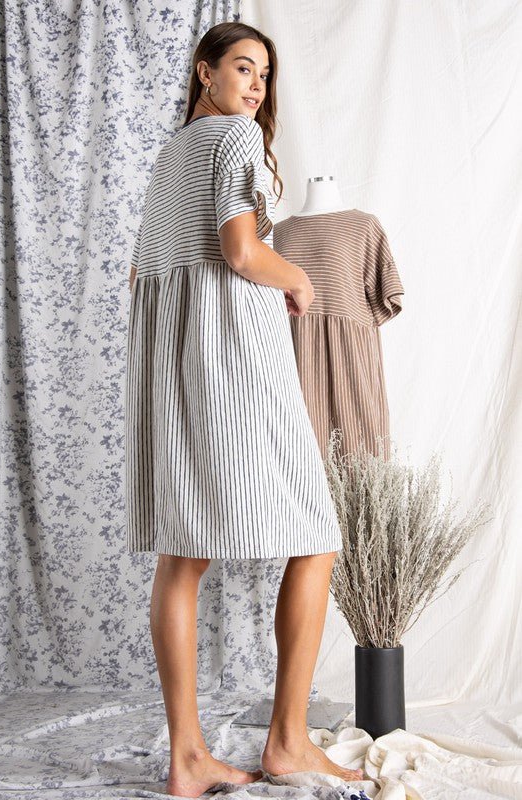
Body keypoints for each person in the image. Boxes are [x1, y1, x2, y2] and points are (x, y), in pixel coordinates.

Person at [127, 21, 364, 799]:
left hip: (173, 367)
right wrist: (294, 278)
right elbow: (238, 250)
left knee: (183, 553)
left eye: (263, 72)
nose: (256, 85)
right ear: (205, 72)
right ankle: (289, 742)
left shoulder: (168, 156)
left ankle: (187, 756)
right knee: (318, 535)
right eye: (240, 67)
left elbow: (143, 277)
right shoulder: (232, 138)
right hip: (236, 365)